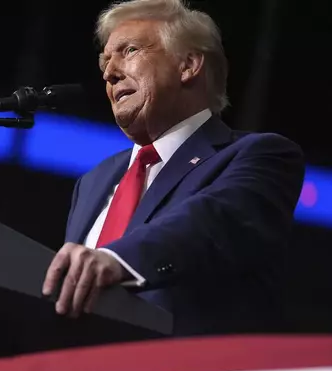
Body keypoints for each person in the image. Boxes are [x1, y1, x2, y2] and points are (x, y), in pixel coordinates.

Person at [41, 0, 305, 336]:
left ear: (188, 65)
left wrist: (118, 261)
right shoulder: (93, 182)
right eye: (105, 61)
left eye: (129, 50)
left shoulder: (260, 155)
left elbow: (211, 221)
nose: (109, 72)